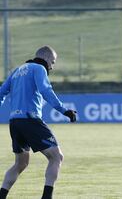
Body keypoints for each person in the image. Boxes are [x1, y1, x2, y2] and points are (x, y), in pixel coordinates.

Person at [0, 45, 77, 199]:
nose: (52, 67)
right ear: (46, 58)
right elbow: (46, 91)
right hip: (31, 120)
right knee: (56, 157)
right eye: (53, 62)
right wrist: (64, 110)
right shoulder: (39, 69)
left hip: (15, 122)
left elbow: (1, 92)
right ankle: (47, 197)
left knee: (20, 163)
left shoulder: (16, 71)